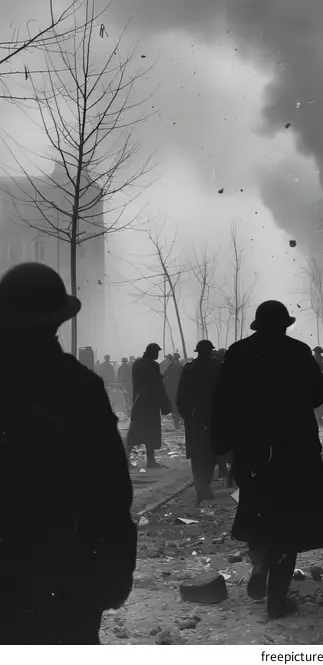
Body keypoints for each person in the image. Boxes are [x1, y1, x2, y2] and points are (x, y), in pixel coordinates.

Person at [0, 263, 136, 644]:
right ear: (58, 321)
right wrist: (114, 571)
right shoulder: (79, 386)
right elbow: (110, 489)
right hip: (65, 574)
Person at [211, 300, 323, 620]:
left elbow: (222, 401)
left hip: (251, 451)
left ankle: (260, 563)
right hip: (293, 452)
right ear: (284, 325)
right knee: (288, 523)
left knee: (256, 512)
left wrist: (224, 447)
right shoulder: (297, 351)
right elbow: (318, 394)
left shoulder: (238, 352)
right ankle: (276, 600)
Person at [177, 340, 228, 505]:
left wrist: (187, 416)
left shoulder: (189, 368)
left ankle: (201, 486)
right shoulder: (218, 367)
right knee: (210, 453)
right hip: (213, 417)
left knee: (197, 454)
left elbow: (181, 397)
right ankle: (204, 485)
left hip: (195, 418)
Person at [126, 343, 171, 469]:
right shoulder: (153, 365)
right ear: (151, 352)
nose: (157, 355)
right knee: (150, 432)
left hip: (139, 402)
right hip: (151, 404)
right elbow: (157, 385)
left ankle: (128, 458)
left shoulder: (137, 363)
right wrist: (165, 404)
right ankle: (150, 461)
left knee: (135, 432)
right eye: (156, 352)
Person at [164, 352, 183, 429]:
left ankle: (176, 423)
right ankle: (178, 422)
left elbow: (165, 377)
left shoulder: (170, 367)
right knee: (178, 406)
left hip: (172, 389)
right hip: (179, 389)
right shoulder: (180, 367)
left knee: (174, 406)